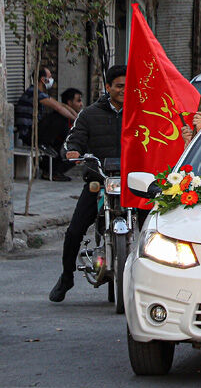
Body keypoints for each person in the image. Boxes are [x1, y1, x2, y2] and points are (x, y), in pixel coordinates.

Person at [49, 66, 128, 302]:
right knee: (74, 231)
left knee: (153, 231)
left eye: (127, 86)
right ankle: (66, 277)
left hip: (131, 183)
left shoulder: (140, 112)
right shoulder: (89, 114)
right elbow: (74, 140)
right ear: (108, 87)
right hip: (98, 181)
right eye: (119, 86)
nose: (123, 90)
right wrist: (72, 151)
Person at [14, 68, 80, 180]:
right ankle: (52, 150)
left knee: (63, 139)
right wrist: (77, 121)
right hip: (30, 135)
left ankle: (52, 169)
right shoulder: (34, 93)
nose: (51, 80)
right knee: (59, 117)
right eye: (49, 77)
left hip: (35, 132)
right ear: (43, 79)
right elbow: (58, 107)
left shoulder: (41, 94)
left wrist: (77, 118)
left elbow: (62, 105)